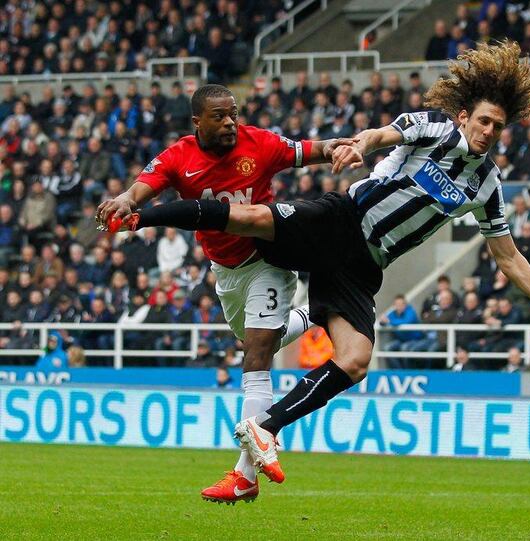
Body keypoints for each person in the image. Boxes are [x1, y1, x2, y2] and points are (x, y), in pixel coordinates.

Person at [107, 42, 530, 485]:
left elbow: (507, 255)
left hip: (365, 265)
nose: (489, 132)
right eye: (483, 121)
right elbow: (385, 133)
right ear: (465, 116)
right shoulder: (436, 129)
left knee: (356, 359)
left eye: (497, 127)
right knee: (249, 216)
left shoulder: (487, 185)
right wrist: (360, 145)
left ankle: (264, 429)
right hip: (342, 219)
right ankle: (141, 220)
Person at [95, 84, 352, 504]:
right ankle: (311, 316)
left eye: (233, 113)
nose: (230, 122)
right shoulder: (180, 156)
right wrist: (126, 199)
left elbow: (310, 149)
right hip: (225, 271)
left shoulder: (260, 144)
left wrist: (346, 146)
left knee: (256, 355)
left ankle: (245, 474)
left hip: (270, 258)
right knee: (248, 339)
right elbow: (145, 184)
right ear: (198, 121)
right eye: (220, 116)